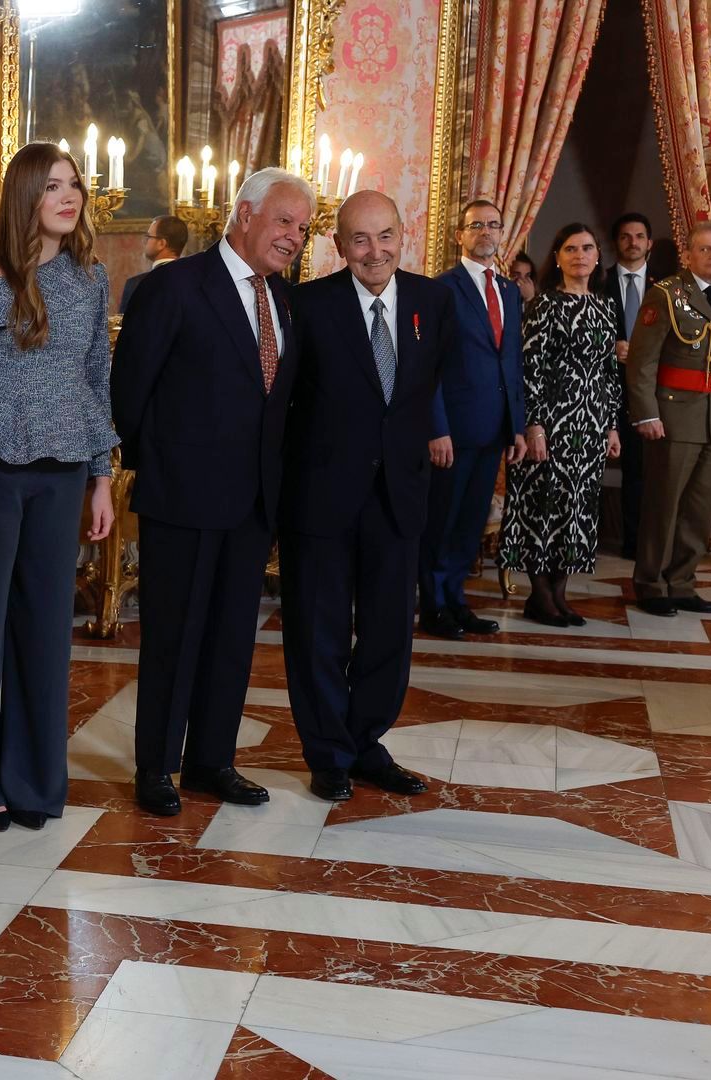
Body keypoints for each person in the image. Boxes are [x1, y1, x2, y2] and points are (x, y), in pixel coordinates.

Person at [113, 166, 311, 818]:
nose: (295, 237)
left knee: (231, 637)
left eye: (304, 228)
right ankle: (158, 766)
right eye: (285, 221)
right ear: (245, 214)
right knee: (173, 636)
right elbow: (130, 392)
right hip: (182, 496)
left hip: (253, 502)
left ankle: (212, 760)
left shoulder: (283, 299)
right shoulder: (175, 285)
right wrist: (161, 465)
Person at [0, 142, 115, 832]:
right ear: (26, 196)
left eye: (73, 184)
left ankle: (37, 785)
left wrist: (102, 477)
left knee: (48, 634)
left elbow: (97, 378)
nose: (68, 196)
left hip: (65, 469)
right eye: (52, 186)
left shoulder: (91, 277)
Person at [280, 191, 456, 802]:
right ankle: (327, 752)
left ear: (402, 236)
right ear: (339, 245)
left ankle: (364, 742)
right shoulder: (306, 305)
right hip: (322, 495)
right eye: (359, 239)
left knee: (388, 633)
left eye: (384, 236)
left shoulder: (433, 301)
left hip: (399, 493)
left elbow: (427, 388)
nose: (373, 251)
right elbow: (285, 404)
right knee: (318, 630)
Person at [501, 224, 622, 626]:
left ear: (597, 256)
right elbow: (529, 368)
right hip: (551, 424)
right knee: (544, 508)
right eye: (570, 248)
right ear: (557, 257)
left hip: (590, 426)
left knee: (578, 509)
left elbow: (609, 372)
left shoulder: (606, 307)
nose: (579, 255)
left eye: (587, 248)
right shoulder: (544, 305)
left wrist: (611, 427)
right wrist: (533, 425)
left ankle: (560, 593)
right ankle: (539, 596)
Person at [420, 200, 529, 640]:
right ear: (460, 235)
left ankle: (456, 601)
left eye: (493, 225)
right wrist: (436, 427)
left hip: (493, 429)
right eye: (476, 225)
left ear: (502, 233)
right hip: (453, 431)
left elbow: (512, 362)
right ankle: (433, 605)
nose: (486, 231)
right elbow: (429, 367)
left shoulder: (507, 291)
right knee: (441, 522)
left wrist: (516, 426)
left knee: (469, 522)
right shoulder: (440, 290)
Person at [627, 220, 711, 618]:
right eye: (705, 249)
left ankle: (681, 582)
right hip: (674, 415)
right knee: (664, 505)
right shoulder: (666, 294)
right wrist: (647, 414)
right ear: (688, 254)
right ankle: (650, 583)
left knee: (701, 509)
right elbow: (642, 363)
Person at [609, 212, 655, 557]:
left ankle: (635, 542)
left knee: (640, 470)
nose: (633, 242)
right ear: (616, 243)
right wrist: (610, 347)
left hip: (647, 393)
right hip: (603, 387)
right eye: (626, 236)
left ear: (649, 243)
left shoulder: (666, 288)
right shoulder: (597, 280)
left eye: (639, 236)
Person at [120, 213, 189, 313]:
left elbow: (124, 325)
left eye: (149, 236)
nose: (145, 242)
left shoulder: (137, 284)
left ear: (161, 243)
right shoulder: (195, 282)